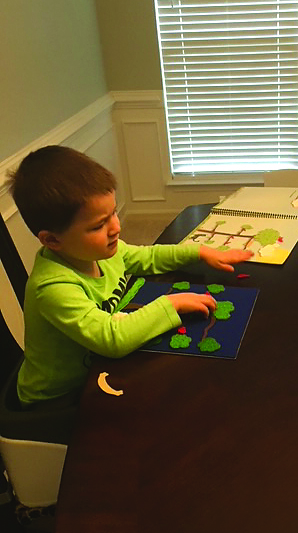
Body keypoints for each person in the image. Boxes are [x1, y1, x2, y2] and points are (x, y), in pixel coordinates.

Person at [7, 145, 252, 410]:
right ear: (52, 240)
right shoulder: (52, 287)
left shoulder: (102, 252)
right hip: (56, 399)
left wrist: (199, 252)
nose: (116, 227)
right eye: (98, 225)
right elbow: (112, 339)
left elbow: (148, 257)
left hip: (94, 373)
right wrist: (173, 304)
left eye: (113, 213)